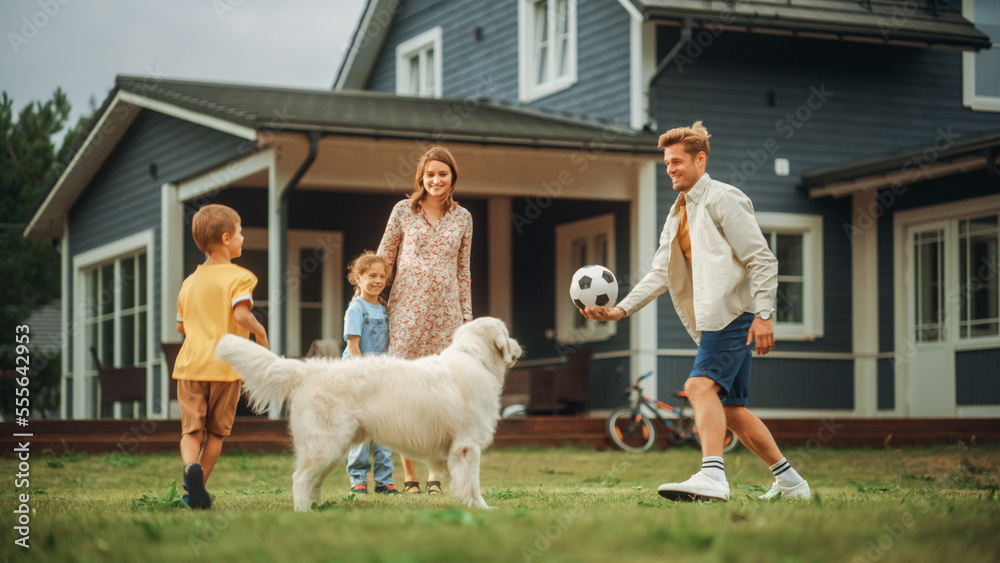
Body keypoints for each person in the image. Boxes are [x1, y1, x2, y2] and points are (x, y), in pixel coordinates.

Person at [581, 121, 810, 502]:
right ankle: (791, 483)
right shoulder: (677, 214)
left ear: (700, 160)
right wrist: (620, 310)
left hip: (732, 316)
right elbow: (660, 273)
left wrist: (765, 314)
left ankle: (712, 476)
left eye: (677, 161)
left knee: (697, 387)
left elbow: (762, 259)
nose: (670, 168)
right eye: (667, 163)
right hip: (713, 322)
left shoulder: (724, 199)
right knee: (732, 410)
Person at [377, 146, 473, 495]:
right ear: (421, 177)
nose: (436, 180)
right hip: (406, 314)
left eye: (442, 174)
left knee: (439, 396)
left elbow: (464, 272)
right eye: (430, 174)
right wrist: (366, 299)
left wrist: (467, 321)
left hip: (447, 317)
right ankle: (409, 477)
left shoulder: (463, 218)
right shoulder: (403, 211)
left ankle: (435, 475)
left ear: (452, 178)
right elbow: (384, 259)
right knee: (403, 394)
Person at [173, 204, 268, 509]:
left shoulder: (189, 282)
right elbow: (241, 314)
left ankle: (190, 469)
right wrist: (261, 335)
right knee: (216, 433)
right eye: (240, 232)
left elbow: (181, 325)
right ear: (226, 239)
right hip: (226, 367)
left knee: (191, 430)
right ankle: (195, 492)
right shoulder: (241, 277)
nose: (243, 238)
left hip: (189, 366)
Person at [342, 251, 399, 495]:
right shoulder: (356, 309)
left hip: (383, 376)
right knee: (362, 432)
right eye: (372, 275)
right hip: (360, 376)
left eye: (382, 276)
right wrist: (365, 375)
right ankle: (358, 480)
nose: (378, 281)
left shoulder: (385, 309)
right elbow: (353, 347)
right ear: (358, 277)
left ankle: (385, 481)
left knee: (385, 430)